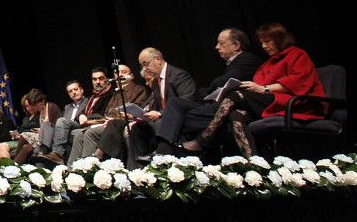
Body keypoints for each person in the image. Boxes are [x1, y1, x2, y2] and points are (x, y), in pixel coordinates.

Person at [182, 23, 325, 157]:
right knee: (236, 115)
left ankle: (203, 139)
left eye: (267, 41)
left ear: (279, 39)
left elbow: (299, 81)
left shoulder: (297, 54)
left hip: (294, 103)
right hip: (270, 102)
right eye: (262, 42)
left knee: (235, 95)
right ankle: (255, 165)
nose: (264, 46)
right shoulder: (269, 62)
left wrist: (264, 89)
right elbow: (259, 83)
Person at [149, 28, 262, 156]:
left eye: (221, 43)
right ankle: (165, 149)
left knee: (177, 118)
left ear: (236, 45)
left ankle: (165, 153)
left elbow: (224, 81)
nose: (217, 47)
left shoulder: (247, 59)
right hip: (215, 106)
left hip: (229, 108)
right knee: (176, 104)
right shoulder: (232, 63)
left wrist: (209, 88)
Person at [68, 64, 149, 162]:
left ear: (131, 75)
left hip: (124, 122)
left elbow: (136, 110)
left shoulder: (138, 89)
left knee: (90, 133)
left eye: (124, 72)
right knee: (79, 135)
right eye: (116, 73)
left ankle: (90, 165)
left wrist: (112, 119)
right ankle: (72, 168)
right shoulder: (116, 93)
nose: (119, 75)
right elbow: (108, 111)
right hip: (109, 122)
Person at [0, 88, 60, 164]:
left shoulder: (51, 107)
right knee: (26, 147)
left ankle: (13, 163)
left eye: (35, 105)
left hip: (48, 137)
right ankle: (13, 167)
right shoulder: (38, 112)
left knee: (24, 135)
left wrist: (40, 130)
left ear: (42, 100)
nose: (35, 107)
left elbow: (53, 127)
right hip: (40, 136)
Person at [36, 80, 86, 166]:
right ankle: (42, 154)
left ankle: (58, 153)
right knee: (46, 125)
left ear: (81, 90)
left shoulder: (88, 102)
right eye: (70, 91)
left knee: (61, 120)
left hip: (79, 126)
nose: (73, 92)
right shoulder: (67, 107)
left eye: (75, 89)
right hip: (66, 128)